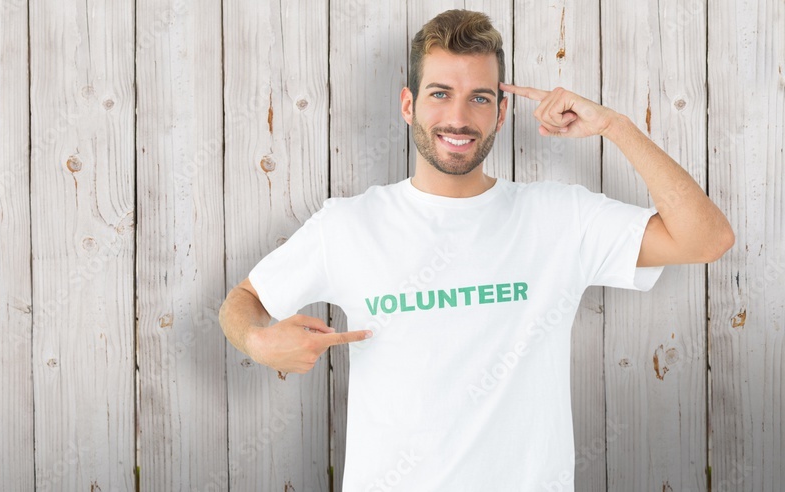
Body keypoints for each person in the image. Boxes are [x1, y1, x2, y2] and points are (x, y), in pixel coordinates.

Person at [218, 9, 733, 491]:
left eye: (480, 98)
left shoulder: (560, 219)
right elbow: (244, 300)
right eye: (440, 94)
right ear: (407, 105)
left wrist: (615, 127)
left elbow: (707, 240)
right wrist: (258, 343)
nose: (458, 118)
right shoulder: (348, 225)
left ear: (502, 112)